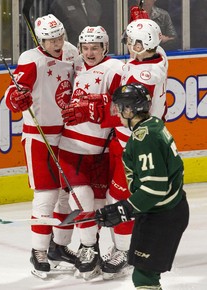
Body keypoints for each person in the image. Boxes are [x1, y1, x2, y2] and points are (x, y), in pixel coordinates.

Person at [3, 14, 79, 277]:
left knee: (66, 193)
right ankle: (39, 252)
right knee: (46, 194)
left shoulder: (71, 52)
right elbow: (11, 95)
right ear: (40, 40)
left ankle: (60, 246)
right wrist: (16, 99)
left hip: (68, 133)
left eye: (60, 37)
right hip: (39, 136)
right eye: (51, 40)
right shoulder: (30, 59)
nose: (58, 43)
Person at [95, 83, 189, 289]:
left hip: (163, 214)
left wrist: (124, 209)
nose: (117, 112)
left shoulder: (144, 138)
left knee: (144, 277)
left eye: (119, 107)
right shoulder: (152, 124)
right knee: (145, 275)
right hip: (164, 210)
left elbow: (154, 188)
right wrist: (127, 209)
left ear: (129, 110)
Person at [100, 17, 169, 280]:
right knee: (124, 196)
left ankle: (125, 252)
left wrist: (94, 105)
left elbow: (127, 105)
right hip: (134, 139)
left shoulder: (146, 73)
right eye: (129, 40)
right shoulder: (157, 56)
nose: (131, 46)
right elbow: (154, 47)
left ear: (149, 42)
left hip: (134, 144)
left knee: (119, 198)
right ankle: (134, 246)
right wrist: (140, 23)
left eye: (136, 42)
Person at [59, 25, 122, 280]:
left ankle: (118, 249)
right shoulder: (74, 64)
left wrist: (96, 107)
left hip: (101, 149)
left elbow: (124, 105)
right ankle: (87, 248)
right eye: (85, 48)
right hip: (70, 146)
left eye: (95, 47)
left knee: (102, 204)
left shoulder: (114, 69)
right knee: (80, 199)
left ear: (105, 47)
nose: (89, 52)